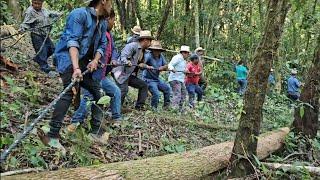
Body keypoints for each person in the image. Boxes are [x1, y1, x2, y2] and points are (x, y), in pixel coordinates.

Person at [42, 0, 112, 149]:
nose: (111, 7)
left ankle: (96, 132)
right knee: (70, 92)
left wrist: (95, 60)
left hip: (83, 61)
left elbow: (102, 45)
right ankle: (51, 135)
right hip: (68, 58)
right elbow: (72, 42)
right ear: (104, 1)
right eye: (111, 2)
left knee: (98, 92)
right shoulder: (79, 14)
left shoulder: (103, 23)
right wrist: (75, 68)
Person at [67, 8, 122, 132]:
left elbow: (113, 50)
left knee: (115, 92)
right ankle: (75, 122)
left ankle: (116, 118)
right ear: (108, 19)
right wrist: (95, 60)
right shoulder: (97, 32)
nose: (114, 23)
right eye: (113, 20)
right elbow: (88, 49)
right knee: (89, 97)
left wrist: (113, 59)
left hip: (102, 75)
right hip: (92, 74)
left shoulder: (110, 35)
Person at [113, 30, 153, 110]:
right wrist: (126, 61)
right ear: (145, 40)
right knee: (123, 90)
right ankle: (115, 110)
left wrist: (145, 66)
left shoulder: (144, 52)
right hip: (120, 72)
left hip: (128, 75)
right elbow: (123, 56)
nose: (150, 43)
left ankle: (139, 107)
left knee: (143, 85)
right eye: (150, 41)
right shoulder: (133, 46)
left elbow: (138, 64)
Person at [19, 0, 61, 75]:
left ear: (42, 3)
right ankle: (46, 69)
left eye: (39, 4)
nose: (37, 5)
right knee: (42, 52)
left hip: (45, 35)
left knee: (52, 49)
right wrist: (22, 29)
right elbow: (25, 23)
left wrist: (57, 14)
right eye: (35, 3)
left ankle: (38, 59)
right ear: (32, 2)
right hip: (36, 35)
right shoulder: (30, 12)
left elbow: (49, 14)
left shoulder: (43, 10)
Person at [143, 40, 170, 110]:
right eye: (155, 50)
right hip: (148, 80)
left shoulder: (161, 56)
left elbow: (166, 65)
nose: (157, 52)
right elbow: (141, 63)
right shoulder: (148, 55)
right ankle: (153, 109)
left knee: (167, 89)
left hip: (156, 79)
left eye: (158, 50)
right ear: (152, 50)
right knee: (156, 94)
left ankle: (166, 107)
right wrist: (148, 66)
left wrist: (162, 67)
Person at [168, 45, 190, 112]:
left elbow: (184, 69)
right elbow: (170, 65)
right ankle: (174, 108)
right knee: (177, 93)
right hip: (175, 79)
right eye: (187, 53)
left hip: (180, 79)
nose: (187, 55)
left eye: (188, 53)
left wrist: (186, 71)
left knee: (184, 93)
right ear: (183, 52)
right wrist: (172, 69)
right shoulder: (177, 57)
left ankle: (180, 108)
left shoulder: (184, 60)